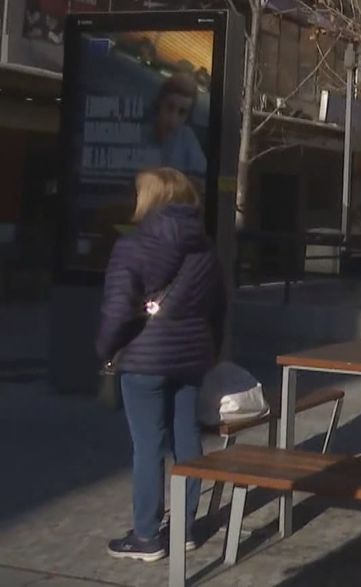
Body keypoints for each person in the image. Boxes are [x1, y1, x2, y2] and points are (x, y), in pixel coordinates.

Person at [95, 168, 226, 561]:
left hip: (144, 359)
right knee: (186, 439)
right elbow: (218, 307)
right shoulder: (205, 248)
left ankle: (147, 536)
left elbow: (118, 311)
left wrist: (106, 349)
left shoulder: (133, 246)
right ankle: (184, 529)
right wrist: (209, 351)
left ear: (149, 198)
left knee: (148, 444)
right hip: (191, 360)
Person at [149, 74, 206, 176]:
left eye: (182, 112)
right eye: (169, 108)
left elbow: (200, 178)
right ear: (158, 105)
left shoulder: (186, 136)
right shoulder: (138, 129)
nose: (173, 120)